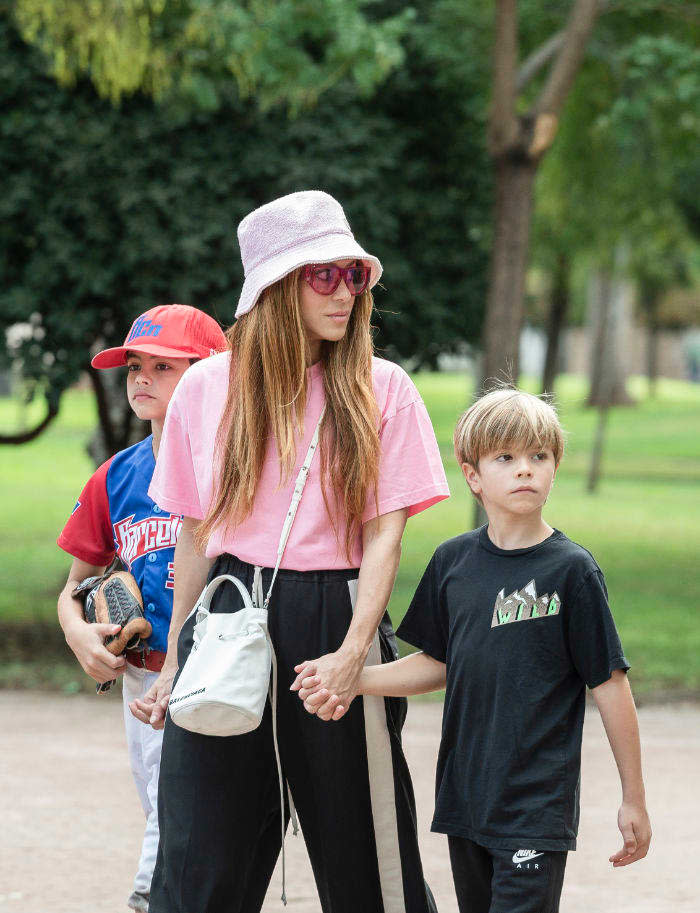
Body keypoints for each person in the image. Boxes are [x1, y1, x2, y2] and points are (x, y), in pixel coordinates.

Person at [138, 190, 450, 913]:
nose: (345, 291)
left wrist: (352, 652)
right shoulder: (206, 390)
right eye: (324, 274)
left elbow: (384, 534)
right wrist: (177, 656)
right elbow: (193, 532)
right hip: (227, 607)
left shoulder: (383, 387)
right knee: (197, 863)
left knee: (370, 866)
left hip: (336, 610)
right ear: (278, 285)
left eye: (355, 275)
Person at [296, 387, 652, 913]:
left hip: (536, 803)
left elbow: (610, 683)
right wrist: (354, 678)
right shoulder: (452, 563)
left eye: (539, 456)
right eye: (505, 458)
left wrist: (634, 797)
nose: (525, 470)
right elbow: (440, 663)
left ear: (555, 468)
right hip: (466, 798)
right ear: (473, 476)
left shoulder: (572, 571)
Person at [56, 304, 227, 913]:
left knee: (193, 801)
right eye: (134, 366)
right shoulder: (117, 475)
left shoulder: (238, 466)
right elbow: (72, 588)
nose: (141, 379)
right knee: (158, 792)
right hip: (143, 669)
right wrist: (78, 633)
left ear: (212, 375)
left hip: (221, 662)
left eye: (163, 366)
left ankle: (155, 891)